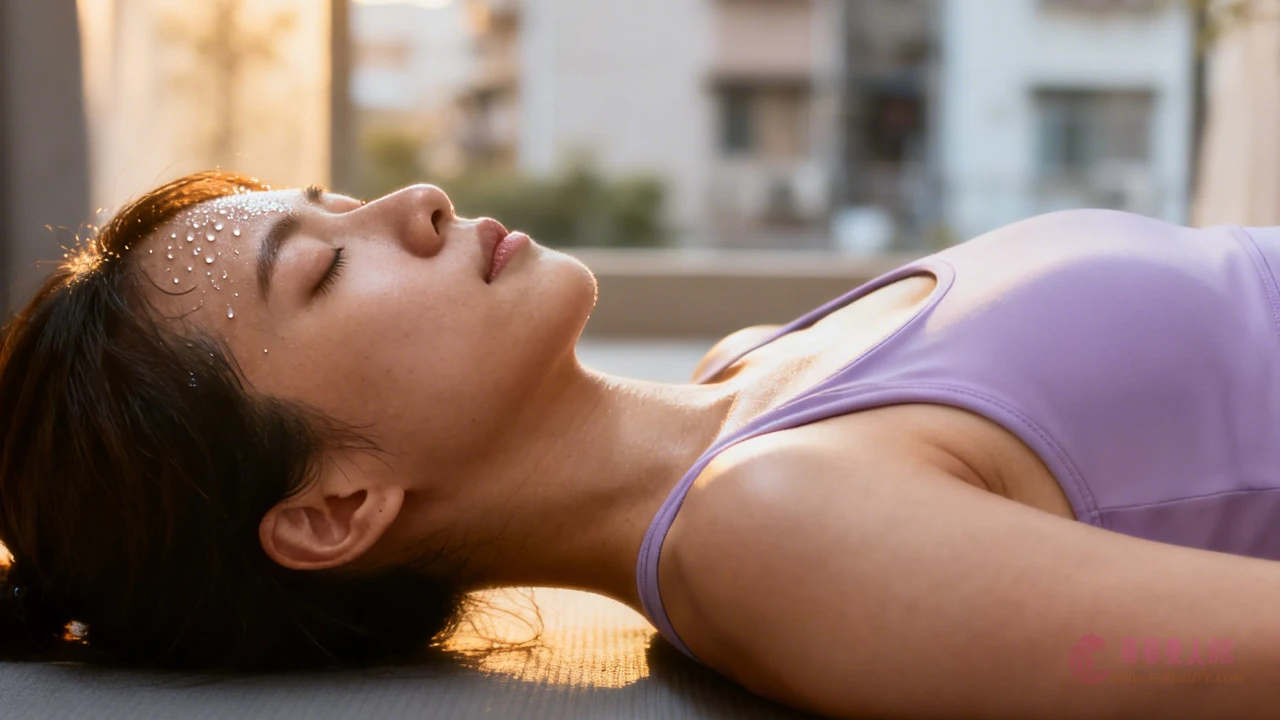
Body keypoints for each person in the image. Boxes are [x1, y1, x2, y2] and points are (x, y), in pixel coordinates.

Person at [2, 169, 1279, 719]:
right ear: (334, 506)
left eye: (345, 197)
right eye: (327, 269)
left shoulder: (746, 367)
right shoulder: (781, 538)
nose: (418, 201)